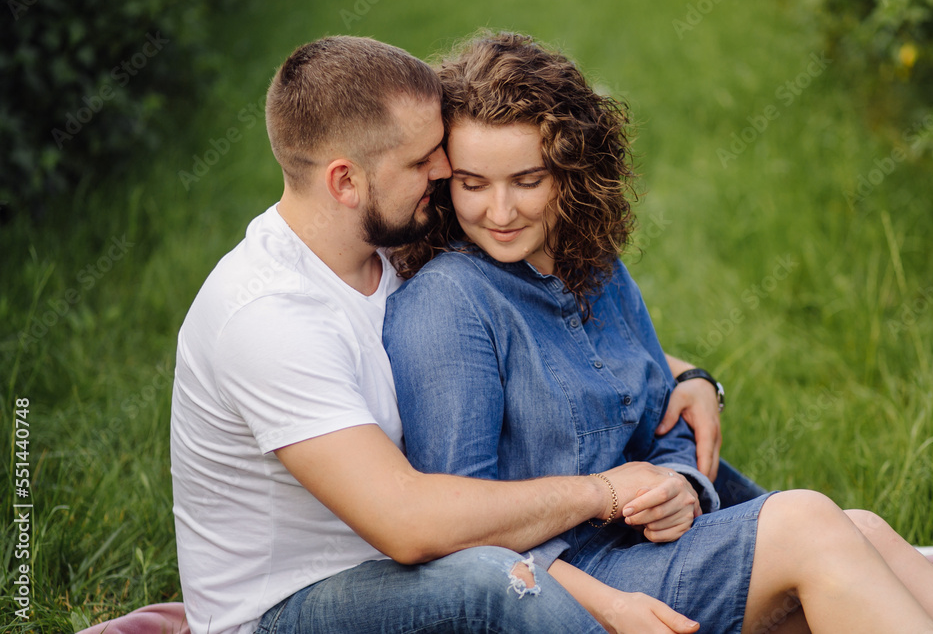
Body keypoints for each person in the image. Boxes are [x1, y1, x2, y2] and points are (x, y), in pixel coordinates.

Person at [383, 31, 933, 633]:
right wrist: (607, 606)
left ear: (571, 172)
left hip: (646, 549)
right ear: (443, 181)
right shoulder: (449, 302)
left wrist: (683, 487)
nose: (500, 211)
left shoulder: (595, 271)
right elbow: (458, 537)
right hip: (566, 586)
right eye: (473, 184)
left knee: (857, 526)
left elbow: (661, 416)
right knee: (810, 522)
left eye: (527, 180)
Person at [170, 34, 751, 634]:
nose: (445, 171)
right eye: (423, 161)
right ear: (345, 182)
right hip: (294, 607)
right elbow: (410, 526)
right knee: (494, 581)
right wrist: (603, 493)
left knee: (808, 525)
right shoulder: (268, 317)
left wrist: (689, 377)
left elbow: (552, 337)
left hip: (404, 567)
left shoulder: (391, 248)